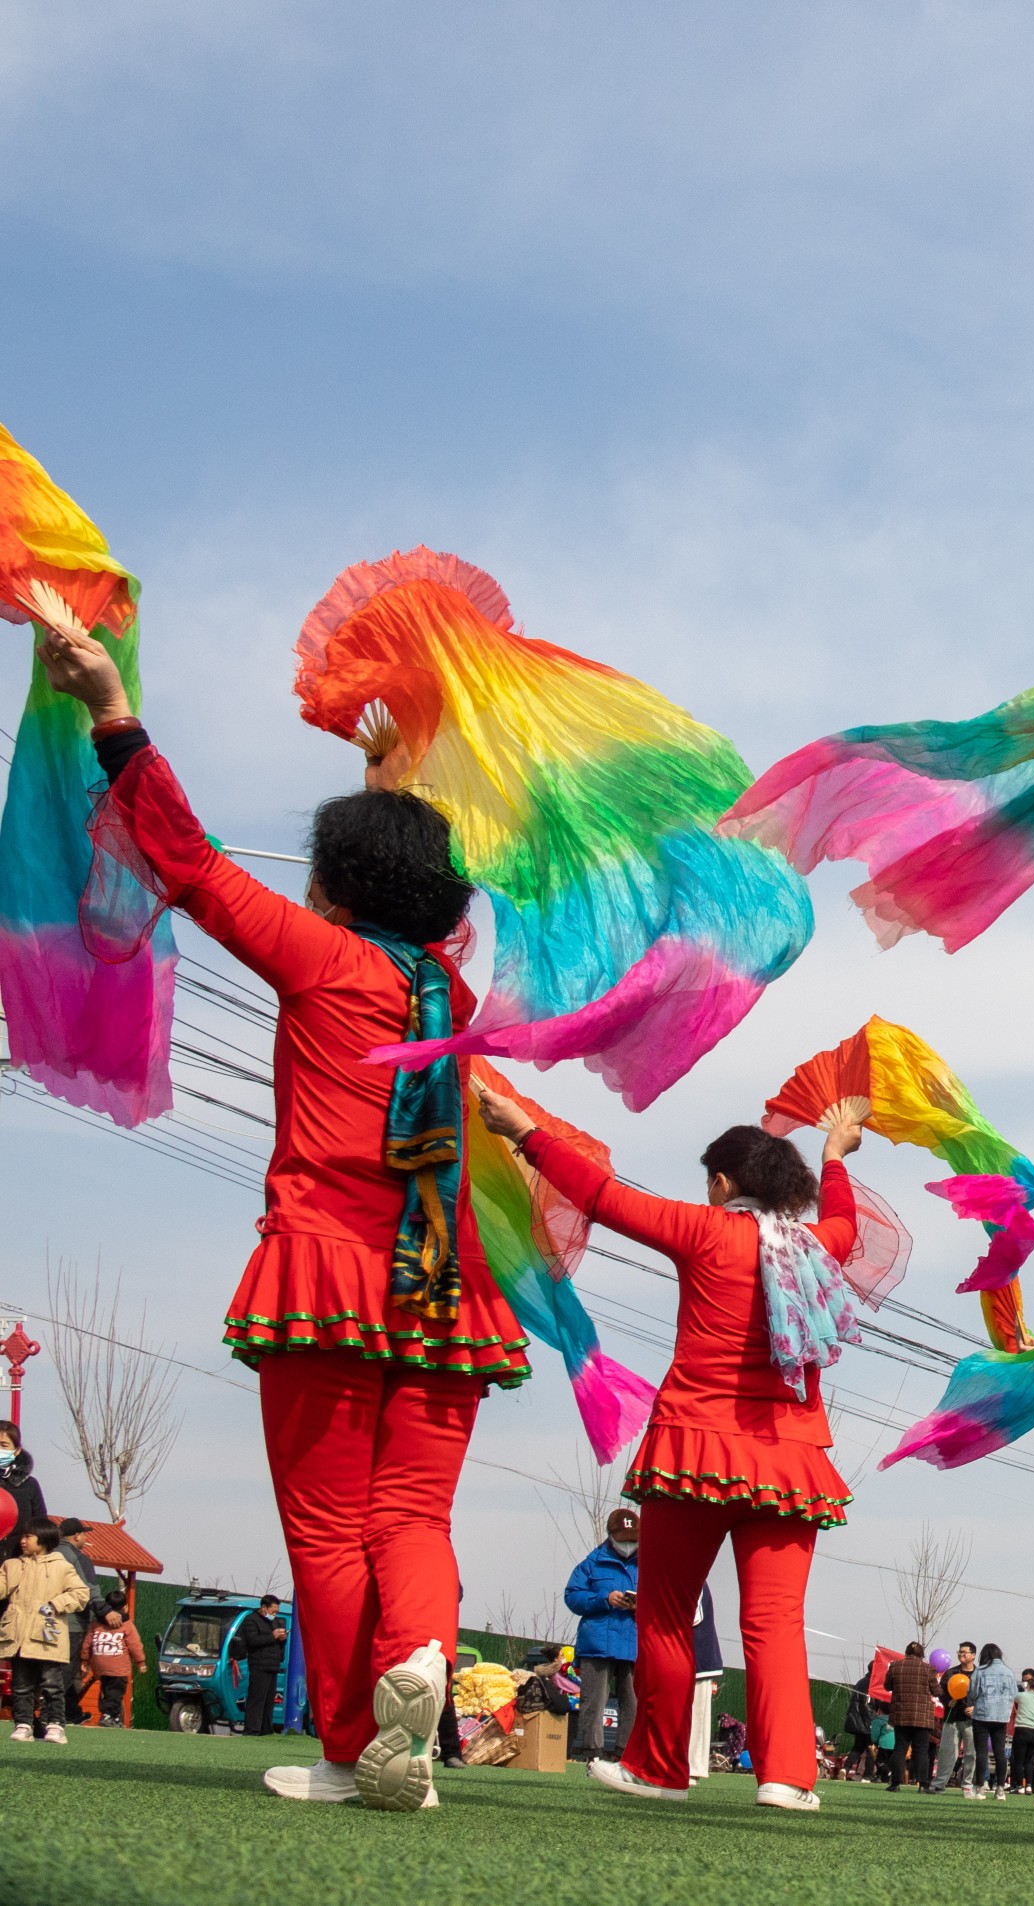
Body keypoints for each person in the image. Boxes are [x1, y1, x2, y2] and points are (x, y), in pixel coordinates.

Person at [35, 623, 528, 1812]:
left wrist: (112, 708)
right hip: (446, 1281)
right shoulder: (443, 986)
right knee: (413, 1514)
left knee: (325, 1523)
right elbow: (405, 899)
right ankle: (421, 1658)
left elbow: (189, 862)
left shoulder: (321, 957)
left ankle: (356, 1748)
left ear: (340, 886)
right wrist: (388, 794)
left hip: (329, 1269)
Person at [485, 1084, 872, 1810]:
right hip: (791, 1459)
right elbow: (844, 1219)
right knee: (776, 1624)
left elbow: (600, 1196)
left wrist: (526, 1131)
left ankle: (660, 1770)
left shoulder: (701, 1230)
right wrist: (835, 1154)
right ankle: (787, 1776)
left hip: (694, 1449)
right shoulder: (821, 1245)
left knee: (665, 1613)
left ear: (722, 1184)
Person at [562, 1509, 643, 1765]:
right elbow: (572, 1597)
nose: (628, 1545)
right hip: (597, 1643)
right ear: (610, 1536)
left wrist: (640, 1605)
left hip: (633, 1643)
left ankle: (624, 1754)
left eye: (633, 1539)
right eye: (623, 1539)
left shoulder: (649, 1563)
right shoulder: (591, 1564)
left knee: (632, 1702)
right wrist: (604, 1600)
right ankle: (592, 1753)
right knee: (593, 1702)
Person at [0, 1524, 88, 1742]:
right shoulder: (12, 1565)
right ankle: (23, 1724)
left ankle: (56, 1725)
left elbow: (81, 1593)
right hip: (18, 1636)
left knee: (52, 1684)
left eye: (28, 1536)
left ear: (44, 1539)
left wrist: (55, 1604)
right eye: (22, 1536)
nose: (22, 1541)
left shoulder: (61, 1566)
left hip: (47, 1635)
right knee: (21, 1685)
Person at [887, 1645, 940, 1793]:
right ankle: (923, 1785)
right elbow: (936, 1692)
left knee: (899, 1749)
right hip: (922, 1717)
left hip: (901, 1715)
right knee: (921, 1751)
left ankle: (895, 1784)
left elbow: (886, 1686)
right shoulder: (928, 1669)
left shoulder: (895, 1666)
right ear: (922, 1655)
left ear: (906, 1653)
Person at [82, 1603, 143, 1727]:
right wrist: (140, 1662)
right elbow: (134, 1645)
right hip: (118, 1665)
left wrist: (85, 1659)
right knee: (116, 1690)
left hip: (100, 1663)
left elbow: (88, 1642)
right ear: (125, 1607)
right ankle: (108, 1715)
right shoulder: (126, 1623)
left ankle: (112, 1716)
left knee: (106, 1688)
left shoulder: (96, 1623)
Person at [237, 1595, 289, 1737]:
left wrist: (282, 1639)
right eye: (273, 1611)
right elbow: (253, 1641)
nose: (275, 1614)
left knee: (268, 1701)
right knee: (256, 1699)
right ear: (264, 1608)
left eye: (276, 1611)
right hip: (259, 1664)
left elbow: (277, 1643)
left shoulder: (275, 1622)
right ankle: (252, 1730)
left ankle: (266, 1730)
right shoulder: (251, 1620)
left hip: (272, 1665)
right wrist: (272, 1636)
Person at [972, 1644, 1018, 1798]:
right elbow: (1015, 1694)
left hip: (982, 1715)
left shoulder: (979, 1671)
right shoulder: (1009, 1672)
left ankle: (979, 1788)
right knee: (1000, 1753)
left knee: (981, 1753)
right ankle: (1000, 1789)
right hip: (1001, 1717)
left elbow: (972, 1693)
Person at [938, 1643, 978, 1795]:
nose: (961, 1655)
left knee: (971, 1754)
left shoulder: (979, 1675)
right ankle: (939, 1784)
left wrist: (976, 1708)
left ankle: (967, 1785)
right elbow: (940, 1691)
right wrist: (947, 1700)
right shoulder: (951, 1673)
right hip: (952, 1719)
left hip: (972, 1722)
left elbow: (985, 1696)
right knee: (947, 1752)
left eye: (964, 1652)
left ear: (973, 1655)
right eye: (959, 1652)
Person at [0, 1423, 46, 1553]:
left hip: (17, 1561)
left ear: (17, 1450)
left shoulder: (30, 1485)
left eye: (4, 1445)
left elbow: (40, 1525)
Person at [1006, 1668, 1034, 1795]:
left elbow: (1012, 1697)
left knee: (1018, 1760)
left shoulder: (1022, 1696)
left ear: (1030, 1686)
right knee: (1029, 1761)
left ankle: (1020, 1787)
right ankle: (1028, 1785)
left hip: (1022, 1729)